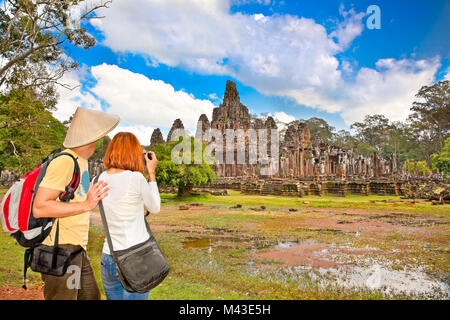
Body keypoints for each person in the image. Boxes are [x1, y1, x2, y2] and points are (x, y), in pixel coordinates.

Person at [32, 107, 120, 300]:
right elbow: (40, 207)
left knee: (90, 297)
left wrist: (90, 198)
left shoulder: (81, 162)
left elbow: (73, 198)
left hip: (76, 248)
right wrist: (86, 205)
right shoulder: (65, 161)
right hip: (60, 249)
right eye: (101, 136)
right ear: (95, 139)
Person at [98, 132, 160, 300]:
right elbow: (154, 207)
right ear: (134, 153)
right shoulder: (136, 178)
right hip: (136, 257)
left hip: (109, 257)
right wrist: (151, 173)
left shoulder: (99, 178)